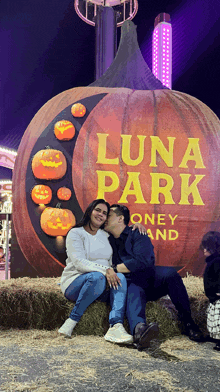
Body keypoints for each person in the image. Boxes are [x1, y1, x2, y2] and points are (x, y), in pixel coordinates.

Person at [105, 204, 204, 350]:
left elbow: (144, 261)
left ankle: (188, 322)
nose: (105, 217)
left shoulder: (136, 232)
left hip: (150, 278)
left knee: (170, 274)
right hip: (130, 284)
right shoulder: (103, 237)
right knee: (134, 293)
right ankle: (140, 332)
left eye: (109, 215)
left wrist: (113, 268)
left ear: (120, 219)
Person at [58, 199, 133, 344]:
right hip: (75, 282)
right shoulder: (75, 233)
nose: (101, 214)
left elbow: (122, 234)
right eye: (98, 210)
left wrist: (135, 226)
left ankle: (115, 326)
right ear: (90, 211)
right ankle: (72, 320)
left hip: (100, 286)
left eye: (105, 213)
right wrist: (106, 270)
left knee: (121, 278)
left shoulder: (105, 236)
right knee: (97, 277)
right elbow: (79, 263)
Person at [201, 231, 220, 351]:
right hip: (213, 296)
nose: (204, 250)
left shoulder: (217, 261)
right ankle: (215, 337)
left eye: (207, 248)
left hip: (217, 296)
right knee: (212, 317)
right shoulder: (212, 261)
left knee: (218, 318)